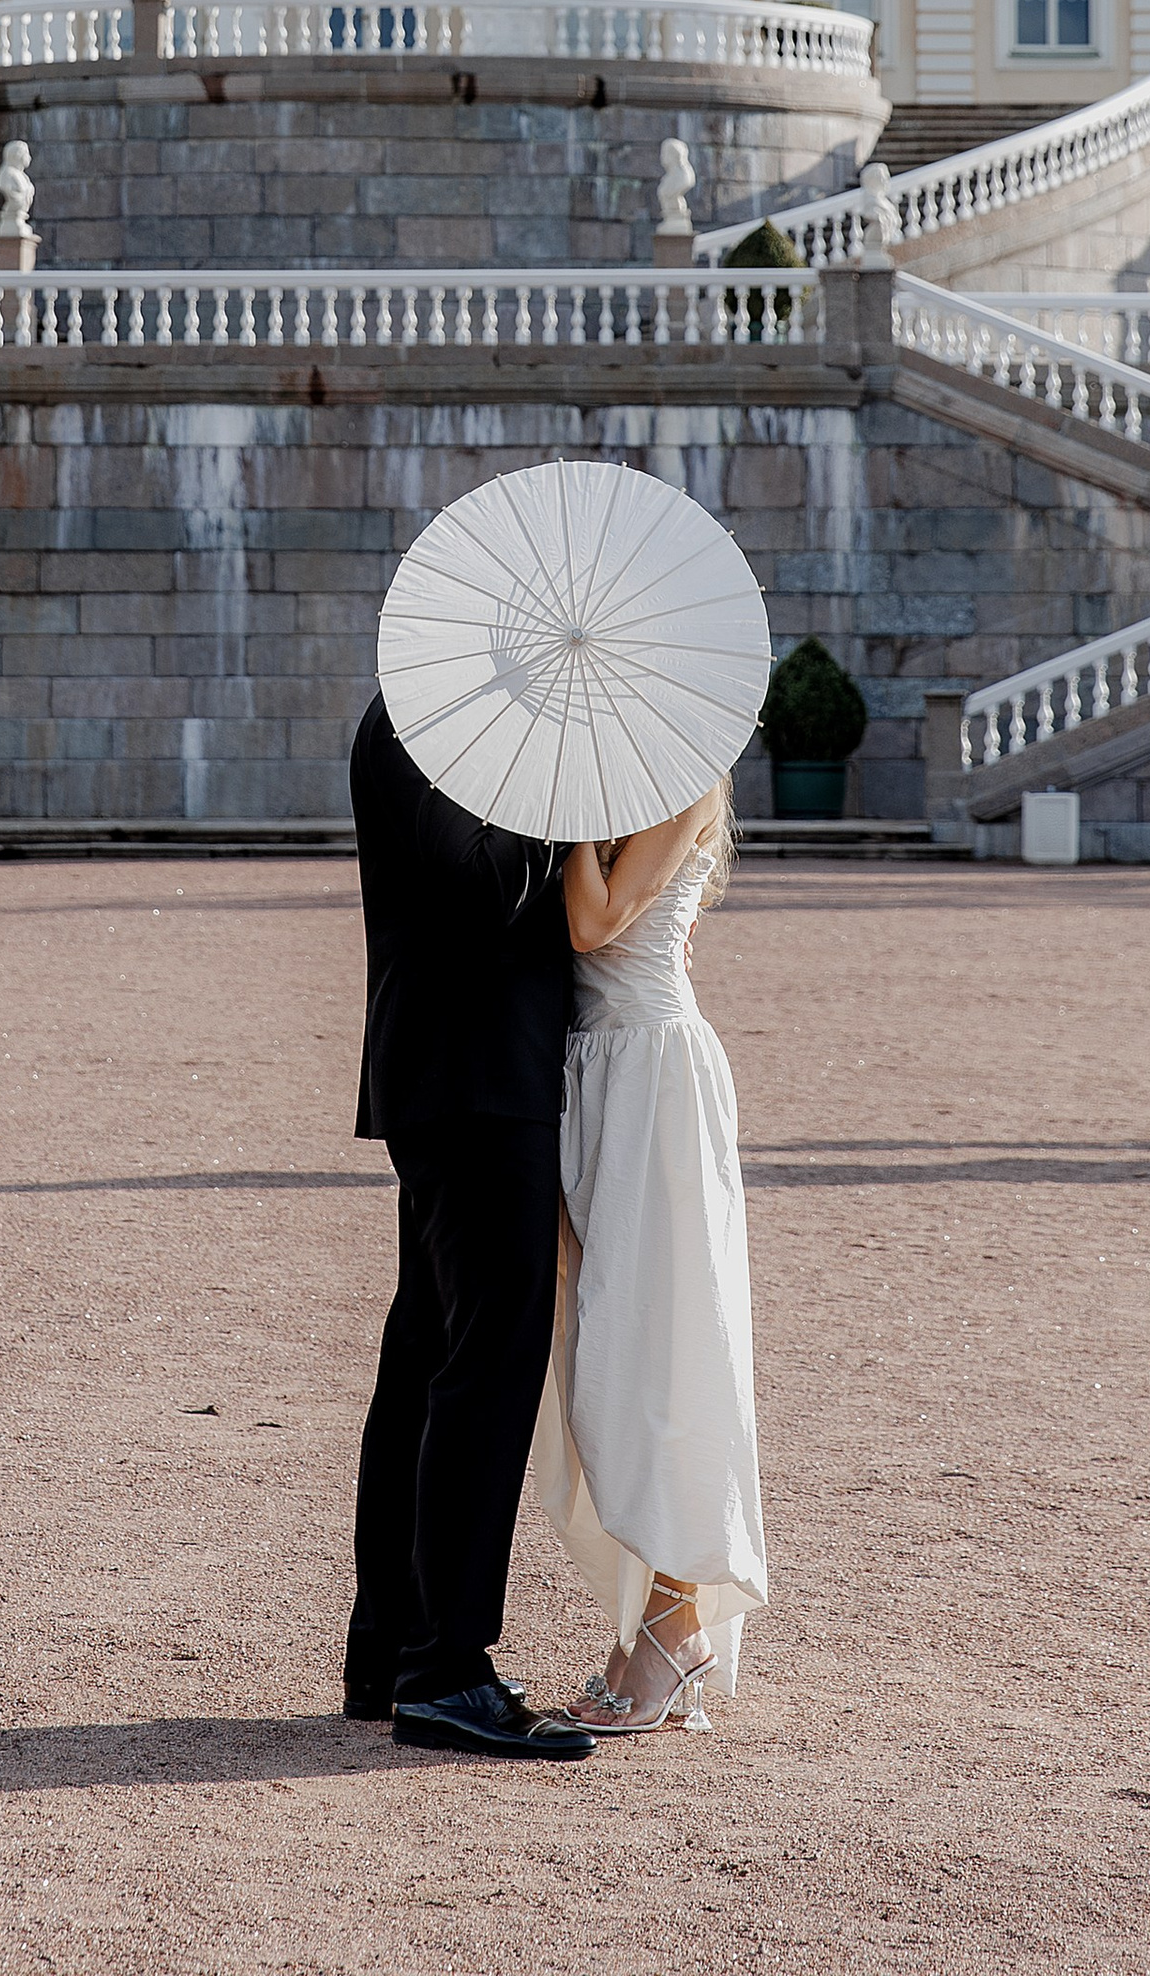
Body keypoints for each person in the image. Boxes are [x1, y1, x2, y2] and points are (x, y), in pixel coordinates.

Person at [344, 689, 596, 1762]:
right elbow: (485, 883)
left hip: (469, 1071)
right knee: (484, 1363)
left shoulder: (435, 714)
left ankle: (390, 1654)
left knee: (429, 1356)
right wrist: (574, 793)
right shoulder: (427, 718)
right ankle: (444, 1669)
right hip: (472, 1075)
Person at [529, 778, 766, 1737]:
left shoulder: (685, 779)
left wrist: (564, 817)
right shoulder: (613, 782)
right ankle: (655, 1622)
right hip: (594, 1072)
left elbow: (593, 923)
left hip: (655, 1078)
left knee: (665, 1352)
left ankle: (672, 1624)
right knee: (606, 1359)